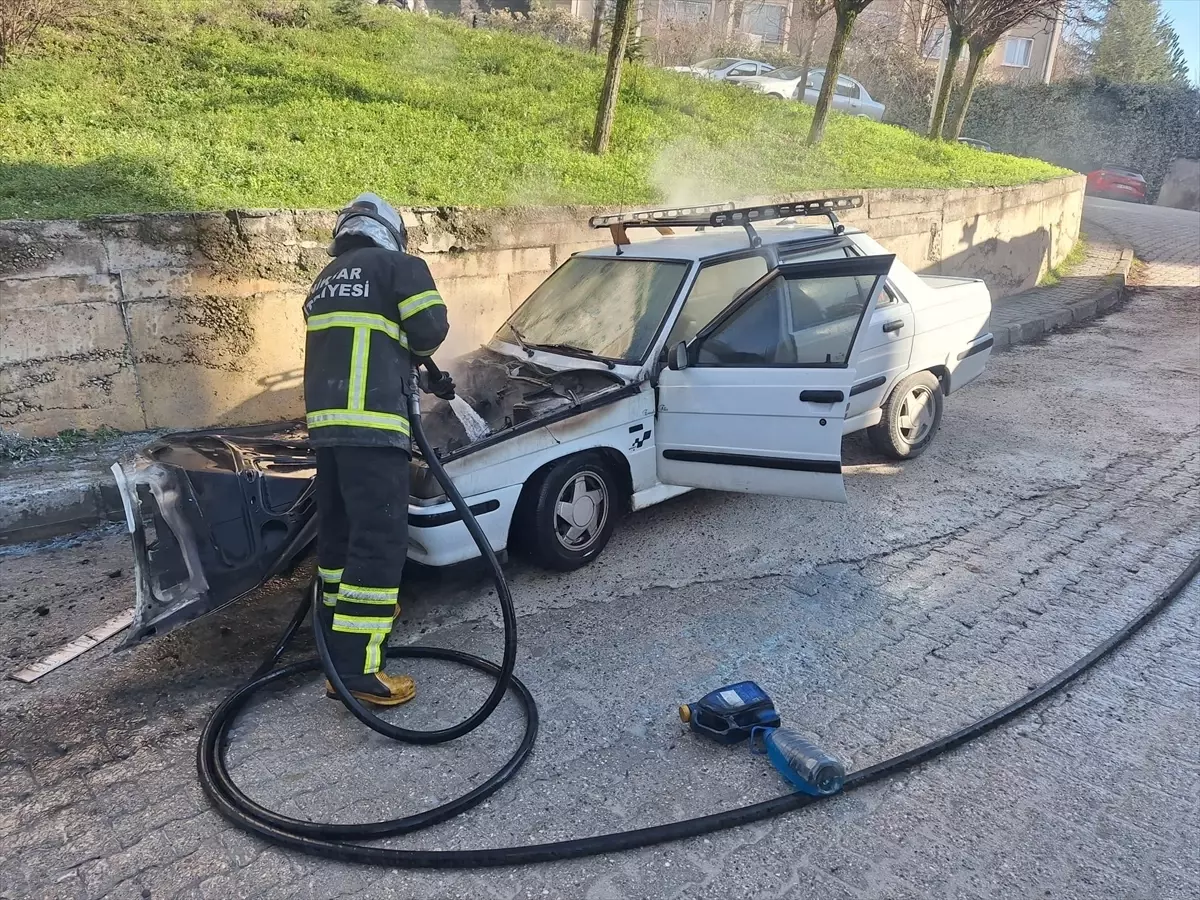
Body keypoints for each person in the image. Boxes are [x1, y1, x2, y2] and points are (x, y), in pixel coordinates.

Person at [303, 192, 455, 706]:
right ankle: (359, 671)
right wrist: (419, 357)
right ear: (391, 232)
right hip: (374, 429)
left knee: (340, 545)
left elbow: (366, 339)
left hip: (328, 433)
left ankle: (332, 651)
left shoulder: (324, 282)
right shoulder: (400, 267)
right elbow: (430, 328)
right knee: (380, 544)